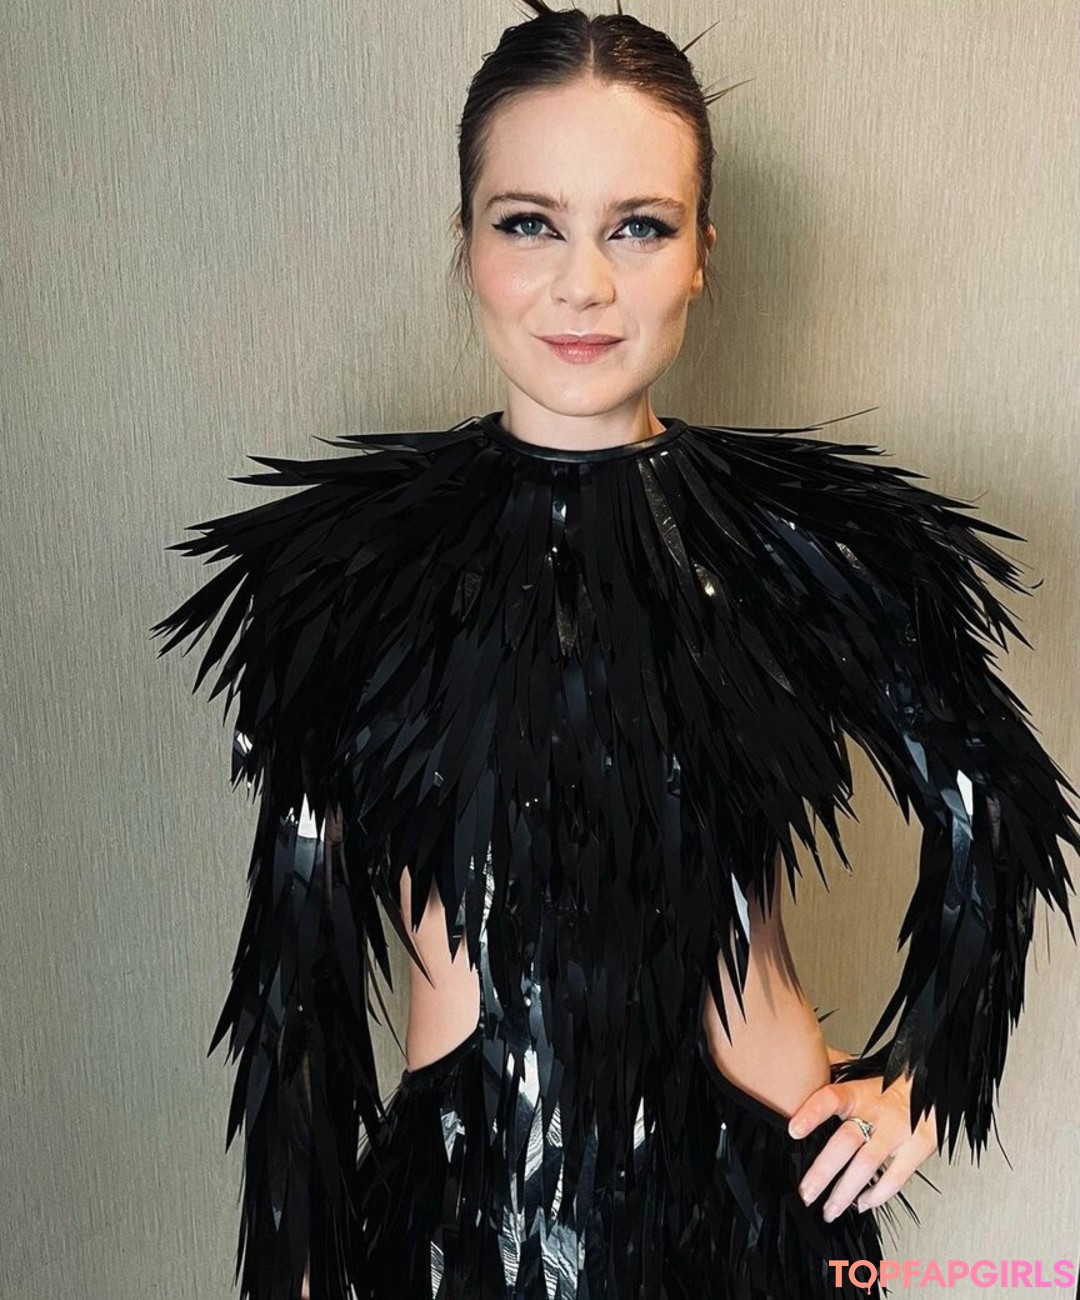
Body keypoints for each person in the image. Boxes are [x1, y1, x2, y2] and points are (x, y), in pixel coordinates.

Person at [150, 4, 1079, 1298]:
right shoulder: (340, 576)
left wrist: (930, 1079)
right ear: (467, 241)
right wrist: (297, 1270)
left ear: (701, 253)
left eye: (637, 225)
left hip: (753, 1214)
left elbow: (997, 809)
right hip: (464, 1220)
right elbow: (297, 979)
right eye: (529, 223)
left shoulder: (816, 549)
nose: (582, 283)